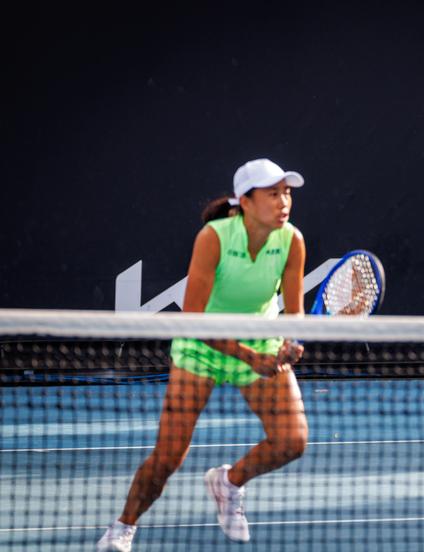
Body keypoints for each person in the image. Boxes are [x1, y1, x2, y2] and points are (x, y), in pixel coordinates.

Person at [97, 158, 309, 551]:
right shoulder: (213, 238)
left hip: (259, 340)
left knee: (292, 441)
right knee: (168, 458)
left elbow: (293, 310)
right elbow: (193, 318)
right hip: (202, 346)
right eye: (273, 194)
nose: (284, 202)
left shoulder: (292, 241)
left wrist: (289, 340)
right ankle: (122, 527)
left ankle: (228, 483)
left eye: (287, 193)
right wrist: (248, 356)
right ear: (244, 201)